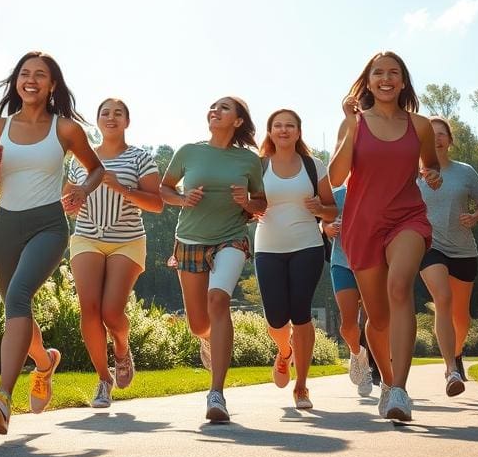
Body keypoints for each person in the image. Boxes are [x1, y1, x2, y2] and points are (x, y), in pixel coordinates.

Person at [0, 51, 104, 435]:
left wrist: (82, 188)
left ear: (51, 85)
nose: (31, 80)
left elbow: (96, 169)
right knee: (16, 306)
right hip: (6, 226)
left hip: (48, 224)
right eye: (24, 73)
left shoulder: (65, 130)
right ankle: (45, 363)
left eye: (40, 75)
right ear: (17, 81)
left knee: (17, 298)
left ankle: (2, 397)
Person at [329, 51, 441, 422]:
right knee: (377, 319)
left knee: (399, 288)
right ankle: (388, 383)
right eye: (379, 72)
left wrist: (433, 175)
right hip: (362, 225)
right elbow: (334, 177)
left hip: (407, 218)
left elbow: (430, 164)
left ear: (403, 81)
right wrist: (350, 126)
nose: (386, 78)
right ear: (369, 81)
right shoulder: (355, 123)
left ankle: (401, 389)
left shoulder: (420, 125)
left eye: (394, 72)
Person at [160, 96, 266, 423]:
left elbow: (261, 205)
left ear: (237, 121)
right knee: (198, 324)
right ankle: (209, 340)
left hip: (231, 237)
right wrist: (181, 198)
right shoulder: (189, 152)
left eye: (223, 108)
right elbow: (164, 189)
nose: (214, 111)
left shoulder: (248, 161)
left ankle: (216, 393)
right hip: (190, 240)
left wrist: (246, 200)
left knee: (218, 300)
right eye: (212, 107)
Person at [63, 98, 163, 408]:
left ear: (127, 122)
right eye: (105, 113)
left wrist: (123, 189)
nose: (111, 117)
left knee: (111, 312)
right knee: (89, 309)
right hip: (87, 238)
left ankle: (122, 348)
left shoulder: (140, 158)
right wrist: (71, 203)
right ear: (97, 120)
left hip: (127, 241)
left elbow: (157, 204)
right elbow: (68, 197)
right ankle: (104, 380)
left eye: (118, 113)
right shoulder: (80, 159)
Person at [254, 109, 337, 410]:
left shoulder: (314, 166)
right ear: (270, 131)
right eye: (278, 125)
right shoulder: (259, 165)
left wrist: (319, 208)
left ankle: (301, 386)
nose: (284, 130)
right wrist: (247, 205)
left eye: (290, 125)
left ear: (299, 132)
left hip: (307, 245)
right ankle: (283, 350)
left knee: (300, 313)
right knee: (276, 318)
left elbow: (331, 211)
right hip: (268, 247)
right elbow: (251, 205)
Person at [417, 117, 478, 396]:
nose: (436, 139)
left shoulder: (465, 172)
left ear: (449, 139)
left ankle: (456, 352)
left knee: (462, 317)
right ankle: (450, 370)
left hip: (463, 248)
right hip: (428, 246)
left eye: (441, 134)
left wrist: (475, 216)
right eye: (430, 134)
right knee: (443, 299)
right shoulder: (414, 172)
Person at [324, 185, 374, 399]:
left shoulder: (377, 190)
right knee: (348, 325)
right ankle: (357, 353)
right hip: (342, 262)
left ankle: (373, 372)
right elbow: (323, 219)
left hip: (373, 262)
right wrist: (327, 228)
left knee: (373, 322)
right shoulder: (337, 195)